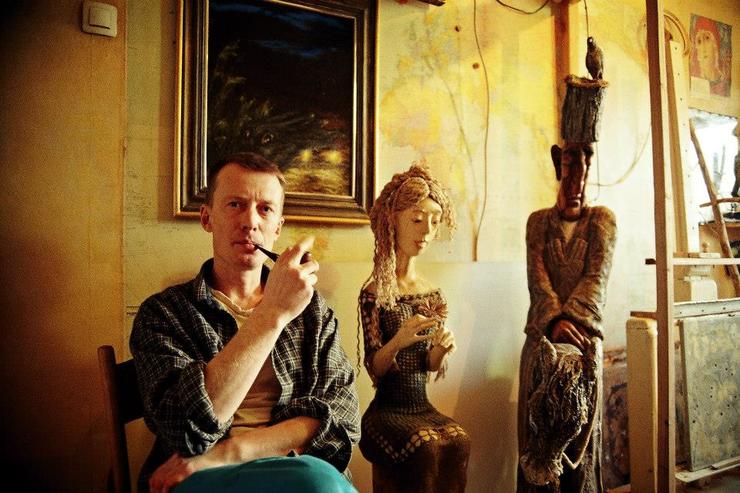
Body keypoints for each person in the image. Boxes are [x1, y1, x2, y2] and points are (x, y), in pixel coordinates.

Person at [130, 152, 360, 493]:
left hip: (287, 469)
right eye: (235, 204)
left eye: (265, 209)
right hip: (198, 479)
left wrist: (227, 452)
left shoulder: (312, 310)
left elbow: (342, 419)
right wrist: (272, 314)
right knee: (318, 483)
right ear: (207, 218)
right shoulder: (164, 313)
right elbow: (185, 430)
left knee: (316, 480)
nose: (250, 221)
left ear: (278, 226)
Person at [357, 164, 470, 493]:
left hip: (421, 405)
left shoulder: (432, 294)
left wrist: (442, 350)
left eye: (434, 221)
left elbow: (430, 366)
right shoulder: (375, 293)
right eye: (418, 220)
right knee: (426, 446)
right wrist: (399, 340)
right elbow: (374, 368)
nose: (427, 232)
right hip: (386, 411)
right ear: (393, 220)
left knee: (459, 441)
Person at [516, 136, 617, 491]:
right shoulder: (537, 223)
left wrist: (571, 322)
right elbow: (538, 281)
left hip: (583, 342)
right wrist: (554, 322)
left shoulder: (602, 221)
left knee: (581, 447)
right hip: (541, 341)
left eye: (585, 170)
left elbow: (596, 278)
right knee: (535, 438)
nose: (577, 184)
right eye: (570, 168)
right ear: (558, 165)